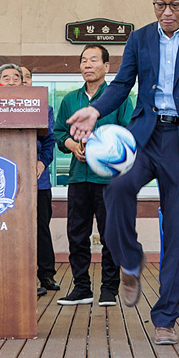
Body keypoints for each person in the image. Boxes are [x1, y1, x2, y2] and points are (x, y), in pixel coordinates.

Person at [67, 0, 179, 346]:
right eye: (159, 4)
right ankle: (130, 260)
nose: (167, 12)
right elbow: (122, 83)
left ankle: (165, 317)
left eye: (175, 4)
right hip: (145, 136)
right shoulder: (140, 38)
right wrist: (95, 110)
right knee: (116, 190)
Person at [55, 45, 132, 307]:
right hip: (78, 177)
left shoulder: (120, 97)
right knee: (77, 235)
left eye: (94, 60)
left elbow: (129, 134)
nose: (88, 65)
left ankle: (109, 289)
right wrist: (72, 146)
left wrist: (105, 151)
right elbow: (59, 133)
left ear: (107, 66)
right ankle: (81, 288)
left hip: (109, 180)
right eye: (84, 61)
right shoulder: (70, 100)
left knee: (110, 235)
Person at [21, 65, 60, 297]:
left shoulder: (43, 108)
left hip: (38, 178)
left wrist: (43, 162)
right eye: (17, 77)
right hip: (10, 179)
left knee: (41, 227)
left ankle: (46, 274)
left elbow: (49, 141)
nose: (22, 81)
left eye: (26, 77)